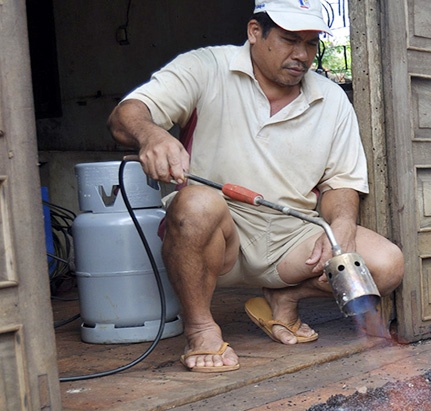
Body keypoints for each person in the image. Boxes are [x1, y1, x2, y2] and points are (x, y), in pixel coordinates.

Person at [107, 0, 404, 373]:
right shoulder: (207, 67)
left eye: (311, 44)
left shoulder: (330, 100)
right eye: (289, 40)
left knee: (385, 266)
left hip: (290, 239)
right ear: (254, 32)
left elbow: (341, 182)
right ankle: (200, 328)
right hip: (218, 233)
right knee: (196, 204)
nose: (301, 55)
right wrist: (151, 136)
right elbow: (126, 115)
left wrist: (340, 229)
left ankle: (284, 296)